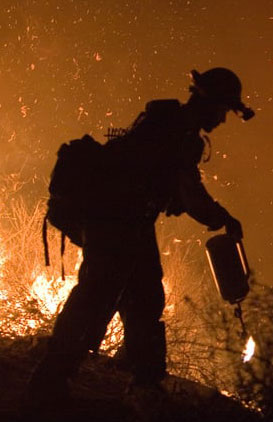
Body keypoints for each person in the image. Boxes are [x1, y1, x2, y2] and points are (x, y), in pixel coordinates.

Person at [28, 67, 253, 403]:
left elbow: (164, 181)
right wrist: (222, 218)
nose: (222, 120)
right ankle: (51, 380)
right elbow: (189, 192)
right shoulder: (178, 131)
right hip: (116, 221)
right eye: (222, 110)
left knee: (145, 298)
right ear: (208, 103)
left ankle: (144, 380)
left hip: (128, 221)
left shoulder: (167, 123)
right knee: (97, 296)